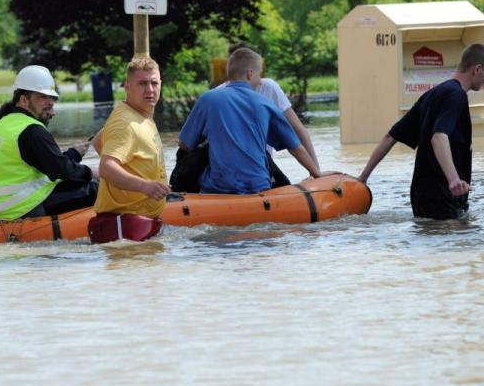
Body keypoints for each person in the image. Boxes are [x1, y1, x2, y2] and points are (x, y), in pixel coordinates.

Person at [358, 43, 484, 220]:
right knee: (454, 244)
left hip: (420, 195)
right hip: (442, 194)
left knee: (432, 242)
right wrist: (453, 180)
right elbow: (438, 137)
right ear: (477, 69)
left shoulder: (432, 94)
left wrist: (363, 177)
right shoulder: (456, 95)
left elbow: (390, 136)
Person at [178, 47, 332, 194]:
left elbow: (184, 144)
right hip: (258, 186)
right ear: (250, 74)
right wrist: (316, 173)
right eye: (259, 75)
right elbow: (295, 147)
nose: (260, 81)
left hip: (218, 187)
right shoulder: (265, 103)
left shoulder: (208, 98)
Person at [0, 65, 98, 223]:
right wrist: (93, 172)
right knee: (95, 187)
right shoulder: (32, 130)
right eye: (43, 97)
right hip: (25, 209)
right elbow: (62, 172)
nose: (49, 103)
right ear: (24, 99)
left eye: (52, 98)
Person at [88, 56, 170, 243]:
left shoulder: (138, 113)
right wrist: (144, 186)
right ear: (127, 87)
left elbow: (98, 141)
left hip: (140, 224)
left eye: (154, 83)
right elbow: (107, 168)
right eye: (142, 84)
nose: (150, 90)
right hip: (125, 227)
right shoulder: (125, 123)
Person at [217, 41, 320, 187]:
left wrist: (315, 172)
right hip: (235, 169)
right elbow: (293, 141)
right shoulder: (219, 95)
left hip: (261, 166)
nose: (259, 80)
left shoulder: (268, 87)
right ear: (250, 71)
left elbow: (298, 130)